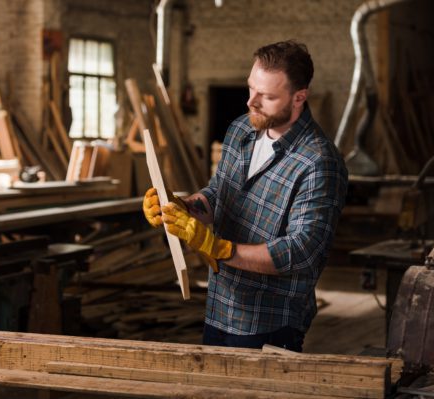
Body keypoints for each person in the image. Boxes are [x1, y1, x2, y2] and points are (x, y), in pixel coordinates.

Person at [142, 40, 348, 352]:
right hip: (219, 306)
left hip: (270, 321)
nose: (251, 102)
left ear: (299, 98)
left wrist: (219, 248)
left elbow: (302, 251)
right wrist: (180, 206)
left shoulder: (319, 162)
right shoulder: (241, 130)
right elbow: (217, 194)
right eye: (250, 88)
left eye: (267, 96)